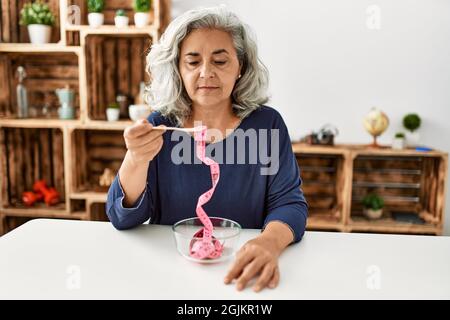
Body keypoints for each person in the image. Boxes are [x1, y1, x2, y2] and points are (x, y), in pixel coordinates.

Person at [106, 6, 308, 293]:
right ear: (177, 69)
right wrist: (136, 158)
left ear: (241, 67)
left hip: (243, 274)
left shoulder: (267, 125)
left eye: (220, 61)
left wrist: (268, 243)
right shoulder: (160, 126)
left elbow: (289, 204)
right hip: (171, 275)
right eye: (192, 61)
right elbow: (122, 217)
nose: (206, 73)